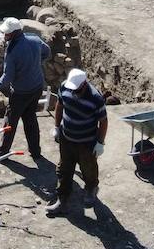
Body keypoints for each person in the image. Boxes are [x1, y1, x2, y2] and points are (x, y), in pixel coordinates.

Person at [46, 68, 108, 216]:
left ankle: (91, 189)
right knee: (64, 170)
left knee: (89, 169)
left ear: (84, 84)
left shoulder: (95, 98)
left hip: (86, 142)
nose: (74, 92)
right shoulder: (64, 87)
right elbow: (59, 106)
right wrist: (56, 127)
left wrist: (100, 142)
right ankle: (62, 201)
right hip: (66, 139)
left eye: (77, 89)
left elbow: (103, 122)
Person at [0, 17, 51, 160]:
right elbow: (47, 51)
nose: (5, 36)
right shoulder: (34, 39)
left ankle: (2, 151)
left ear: (16, 33)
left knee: (10, 122)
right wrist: (35, 62)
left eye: (7, 33)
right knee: (30, 119)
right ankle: (35, 152)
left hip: (20, 92)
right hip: (36, 87)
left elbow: (7, 78)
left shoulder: (12, 52)